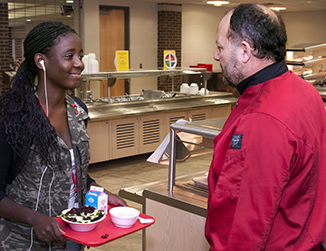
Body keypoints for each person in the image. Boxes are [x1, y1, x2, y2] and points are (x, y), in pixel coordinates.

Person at [205, 3, 326, 250]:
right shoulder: (306, 92)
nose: (216, 56)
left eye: (220, 47)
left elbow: (243, 229)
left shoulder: (262, 119)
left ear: (244, 51)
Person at [0, 21, 126, 250]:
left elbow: (73, 171)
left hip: (73, 235)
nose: (79, 63)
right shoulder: (13, 115)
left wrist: (98, 190)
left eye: (80, 55)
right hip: (23, 241)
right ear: (41, 61)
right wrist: (34, 218)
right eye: (69, 56)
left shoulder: (78, 111)